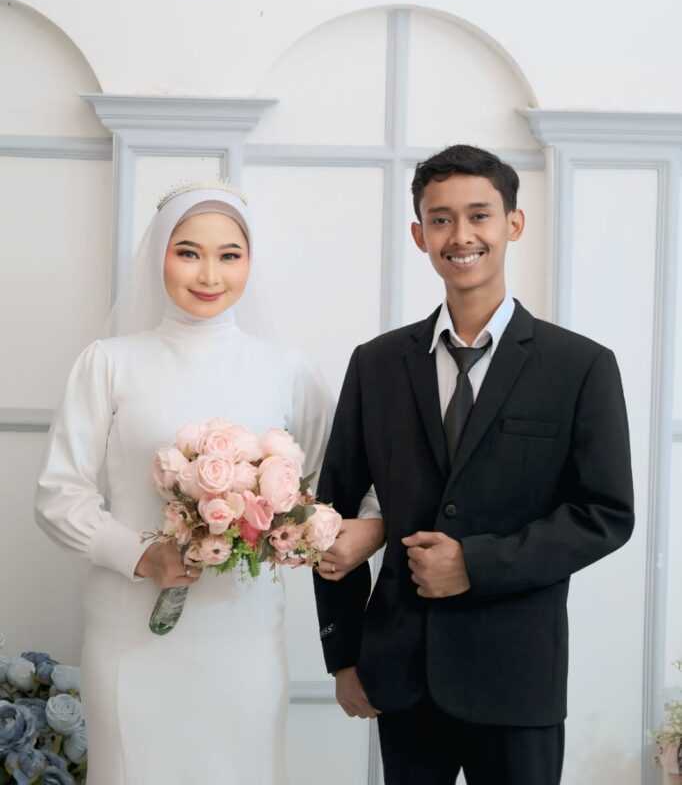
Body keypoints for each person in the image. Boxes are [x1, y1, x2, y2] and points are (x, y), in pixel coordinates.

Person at [36, 179, 382, 785]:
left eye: (229, 255)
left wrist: (344, 529)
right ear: (159, 255)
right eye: (189, 252)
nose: (209, 274)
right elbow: (58, 495)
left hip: (244, 635)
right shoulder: (108, 361)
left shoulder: (286, 369)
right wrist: (142, 554)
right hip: (131, 631)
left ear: (250, 262)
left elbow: (347, 481)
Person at [313, 145, 635, 785]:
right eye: (441, 219)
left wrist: (476, 565)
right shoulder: (375, 364)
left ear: (514, 223)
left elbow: (605, 515)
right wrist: (344, 656)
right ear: (419, 235)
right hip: (401, 674)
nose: (461, 235)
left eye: (479, 215)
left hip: (518, 677)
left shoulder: (580, 366)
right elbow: (333, 514)